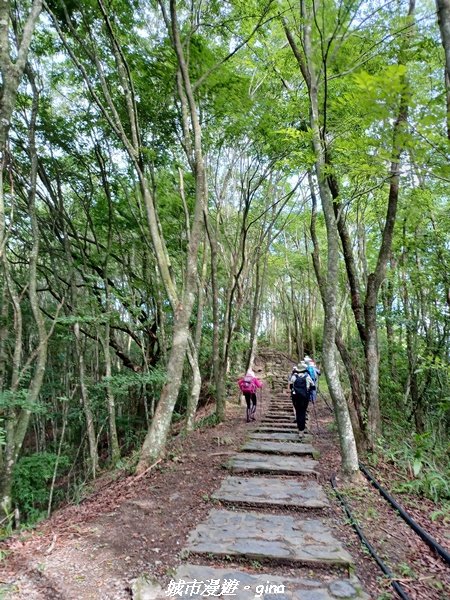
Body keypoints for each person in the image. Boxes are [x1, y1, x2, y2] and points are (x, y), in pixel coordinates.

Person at [289, 363, 314, 438]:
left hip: (296, 397)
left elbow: (291, 386)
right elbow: (313, 386)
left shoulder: (294, 377)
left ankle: (299, 430)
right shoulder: (307, 376)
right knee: (303, 413)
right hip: (305, 397)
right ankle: (301, 432)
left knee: (298, 412)